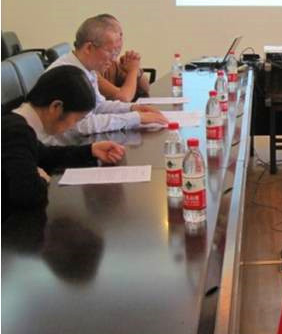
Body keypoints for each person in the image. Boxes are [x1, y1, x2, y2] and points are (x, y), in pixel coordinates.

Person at [2, 66, 126, 216]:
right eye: (76, 119)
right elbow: (28, 195)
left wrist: (90, 150)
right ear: (56, 107)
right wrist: (43, 180)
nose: (74, 126)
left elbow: (44, 155)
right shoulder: (17, 132)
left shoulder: (19, 123)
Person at [44, 14, 168, 142]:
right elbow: (82, 125)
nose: (113, 60)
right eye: (111, 52)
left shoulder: (87, 69)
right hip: (59, 149)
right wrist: (135, 118)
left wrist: (132, 108)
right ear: (89, 48)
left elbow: (98, 106)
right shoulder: (68, 75)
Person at [97, 14, 150, 102]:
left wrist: (137, 72)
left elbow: (145, 88)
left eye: (120, 36)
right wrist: (133, 70)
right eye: (115, 37)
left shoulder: (113, 63)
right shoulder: (91, 67)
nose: (119, 43)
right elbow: (123, 97)